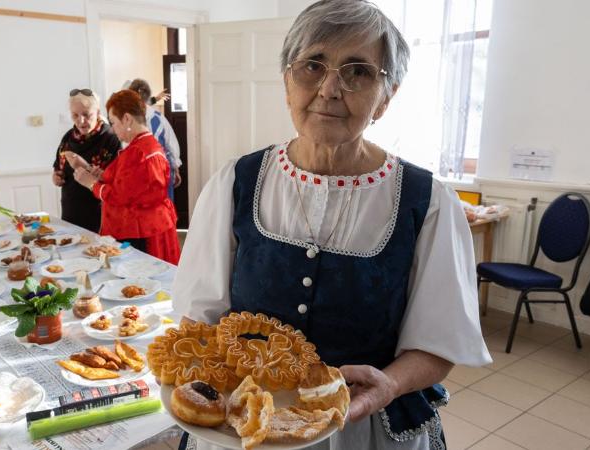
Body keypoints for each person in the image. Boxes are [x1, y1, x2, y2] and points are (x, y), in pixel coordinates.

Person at [173, 1, 491, 449]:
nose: (329, 88)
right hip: (247, 424)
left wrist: (390, 384)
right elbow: (198, 321)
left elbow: (438, 345)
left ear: (387, 95)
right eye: (312, 65)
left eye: (358, 71)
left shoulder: (428, 201)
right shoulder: (236, 183)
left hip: (365, 429)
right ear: (287, 81)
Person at [73, 89, 180, 264]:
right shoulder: (146, 145)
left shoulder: (138, 151)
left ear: (127, 119)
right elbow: (134, 185)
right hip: (151, 226)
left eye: (114, 122)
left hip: (141, 232)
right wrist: (103, 176)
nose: (113, 129)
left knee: (141, 282)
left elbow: (120, 195)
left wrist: (91, 184)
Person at [52, 89, 120, 232]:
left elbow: (116, 182)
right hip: (70, 209)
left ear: (97, 112)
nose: (80, 121)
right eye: (75, 115)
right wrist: (56, 177)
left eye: (86, 115)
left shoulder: (110, 138)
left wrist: (85, 166)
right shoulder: (68, 137)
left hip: (98, 213)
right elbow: (58, 168)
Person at [127, 78, 183, 201]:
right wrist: (175, 166)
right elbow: (171, 143)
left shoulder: (127, 120)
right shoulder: (159, 118)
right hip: (159, 169)